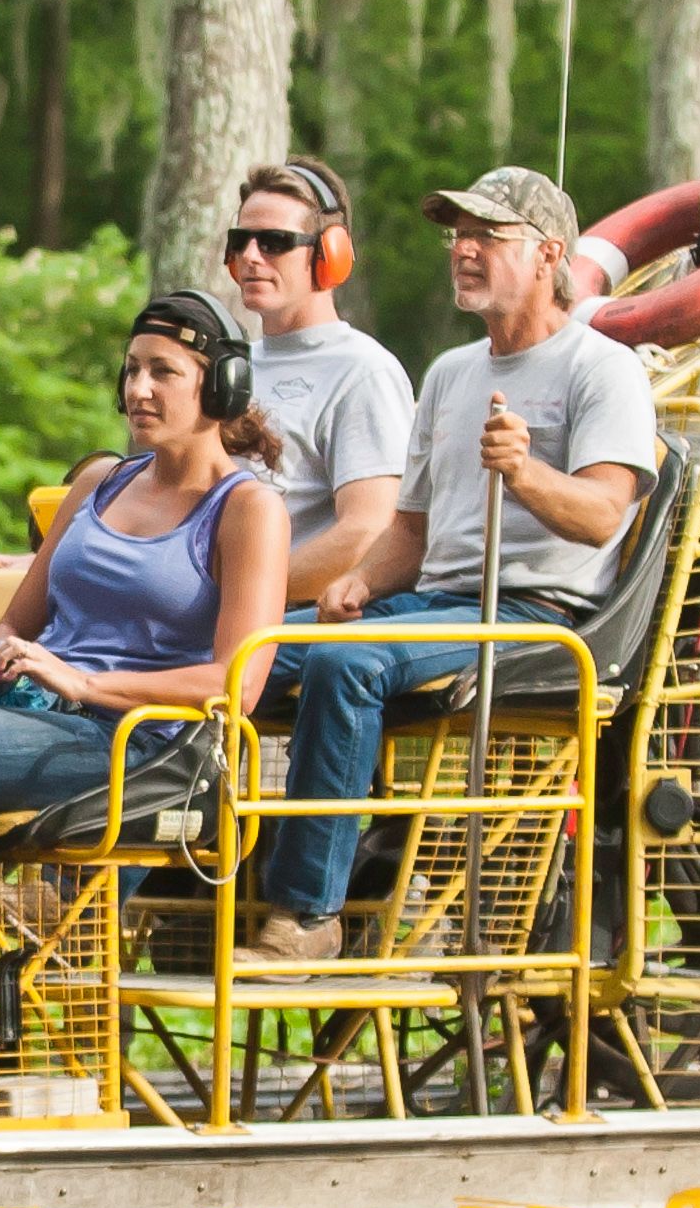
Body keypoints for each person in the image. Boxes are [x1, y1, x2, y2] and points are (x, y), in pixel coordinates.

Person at [243, 167, 658, 963]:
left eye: (487, 238)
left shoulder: (601, 368)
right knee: (242, 653)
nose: (465, 251)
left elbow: (605, 515)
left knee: (349, 664)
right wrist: (361, 580)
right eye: (457, 236)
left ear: (547, 254)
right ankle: (165, 882)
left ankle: (308, 913)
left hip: (535, 615)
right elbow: (410, 530)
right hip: (435, 601)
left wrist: (527, 472)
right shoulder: (450, 373)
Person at [0, 296, 292, 1007]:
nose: (137, 390)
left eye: (163, 373)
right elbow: (18, 619)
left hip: (133, 749)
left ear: (219, 389)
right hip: (32, 717)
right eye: (130, 371)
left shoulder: (247, 509)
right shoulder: (99, 482)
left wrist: (84, 682)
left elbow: (234, 685)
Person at [221, 157, 414, 612]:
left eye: (274, 243)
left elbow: (368, 530)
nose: (250, 256)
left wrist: (233, 597)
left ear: (330, 256)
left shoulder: (363, 372)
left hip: (277, 618)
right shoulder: (227, 362)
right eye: (240, 241)